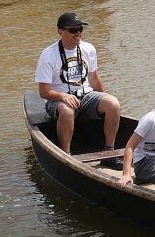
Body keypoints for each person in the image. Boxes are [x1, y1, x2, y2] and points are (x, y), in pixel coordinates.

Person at [35, 12, 121, 155]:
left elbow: (94, 78)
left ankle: (110, 151)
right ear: (60, 32)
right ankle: (66, 155)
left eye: (80, 29)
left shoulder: (88, 48)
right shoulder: (48, 55)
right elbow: (44, 92)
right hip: (58, 100)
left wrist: (107, 104)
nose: (78, 33)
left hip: (86, 95)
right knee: (67, 110)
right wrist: (63, 96)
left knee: (113, 104)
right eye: (73, 30)